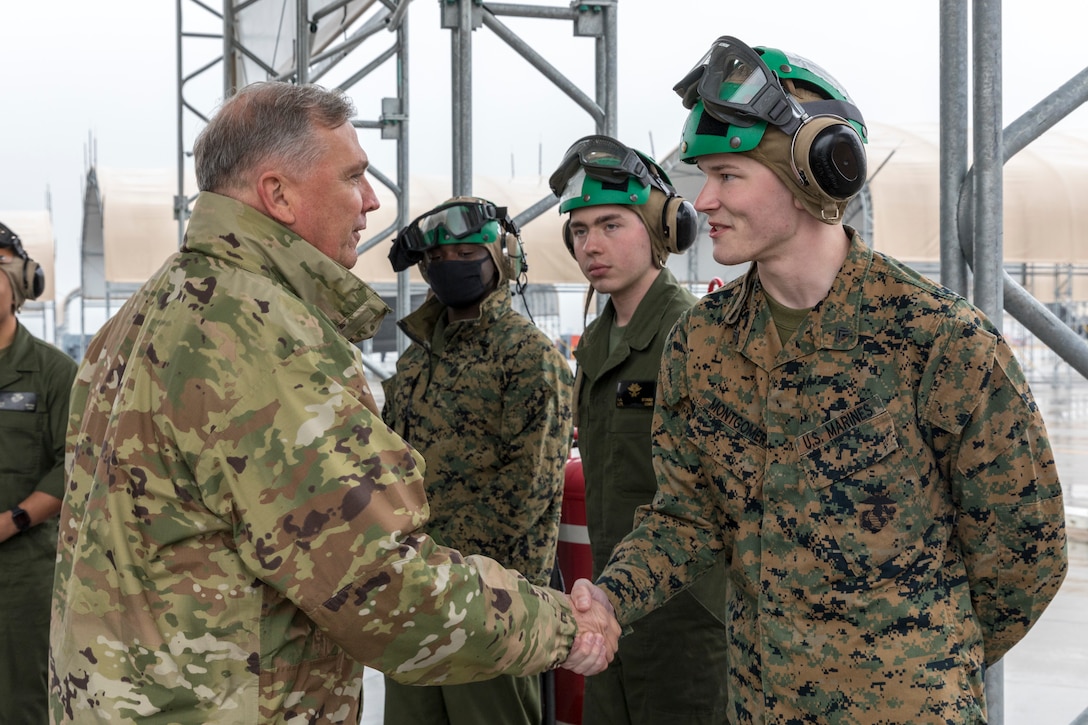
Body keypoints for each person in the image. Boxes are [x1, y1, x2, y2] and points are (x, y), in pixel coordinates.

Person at [49, 81, 618, 725]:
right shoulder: (263, 338)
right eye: (353, 178)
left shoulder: (150, 310)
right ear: (279, 195)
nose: (372, 202)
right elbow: (379, 587)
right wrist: (563, 628)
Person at [575, 36, 1069, 723]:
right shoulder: (704, 342)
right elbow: (685, 517)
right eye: (704, 175)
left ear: (813, 172)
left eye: (728, 175)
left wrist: (920, 664)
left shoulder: (936, 339)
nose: (704, 199)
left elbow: (1026, 550)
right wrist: (610, 597)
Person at [547, 136, 730, 723]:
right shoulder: (598, 342)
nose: (591, 245)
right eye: (579, 232)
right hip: (608, 604)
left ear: (661, 231)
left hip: (686, 617)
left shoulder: (695, 336)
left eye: (611, 225)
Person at [381, 196, 574, 724]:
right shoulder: (416, 358)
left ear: (502, 257)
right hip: (416, 597)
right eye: (438, 258)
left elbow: (529, 496)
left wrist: (471, 591)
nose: (452, 266)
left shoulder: (530, 359)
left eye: (468, 252)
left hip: (494, 608)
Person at [0, 222, 77, 724]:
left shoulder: (52, 372)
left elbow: (76, 464)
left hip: (20, 577)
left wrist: (12, 521)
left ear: (21, 283)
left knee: (21, 704)